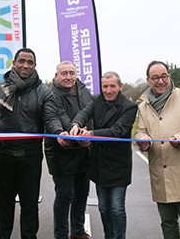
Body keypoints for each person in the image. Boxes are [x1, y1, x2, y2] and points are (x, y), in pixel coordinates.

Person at [0, 48, 62, 239]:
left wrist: (59, 132)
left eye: (30, 62)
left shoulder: (44, 91)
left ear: (35, 66)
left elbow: (51, 118)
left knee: (29, 206)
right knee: (4, 205)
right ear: (13, 63)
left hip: (30, 157)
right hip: (2, 156)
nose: (25, 65)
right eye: (22, 61)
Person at [135, 60, 180, 239]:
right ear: (148, 81)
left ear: (169, 77)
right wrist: (143, 140)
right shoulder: (143, 106)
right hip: (160, 172)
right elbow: (140, 131)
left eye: (164, 76)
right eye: (155, 78)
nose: (160, 81)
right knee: (167, 223)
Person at [69, 71, 138, 239]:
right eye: (105, 86)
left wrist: (91, 134)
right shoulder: (96, 101)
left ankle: (119, 237)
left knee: (117, 208)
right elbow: (84, 113)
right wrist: (76, 123)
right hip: (99, 164)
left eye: (112, 86)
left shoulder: (129, 107)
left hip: (119, 165)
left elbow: (117, 131)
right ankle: (109, 236)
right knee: (103, 208)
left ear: (120, 87)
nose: (108, 90)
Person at [44, 61, 94, 239]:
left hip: (83, 150)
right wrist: (71, 132)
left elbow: (90, 111)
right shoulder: (50, 93)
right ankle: (61, 234)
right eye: (64, 73)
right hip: (61, 149)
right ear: (56, 76)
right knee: (65, 195)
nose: (68, 77)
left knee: (82, 193)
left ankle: (78, 231)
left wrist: (86, 133)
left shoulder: (83, 90)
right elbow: (55, 116)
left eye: (71, 73)